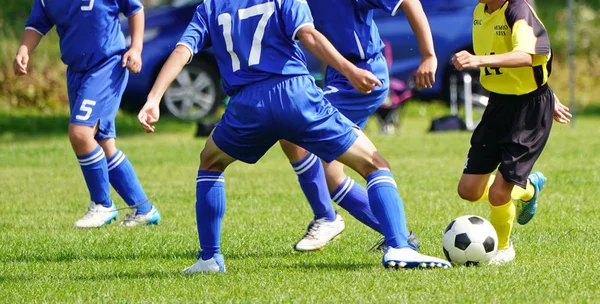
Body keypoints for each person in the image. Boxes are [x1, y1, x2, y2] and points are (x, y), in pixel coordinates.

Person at [138, 0, 451, 273]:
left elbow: (183, 50)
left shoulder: (210, 6)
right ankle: (397, 245)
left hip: (247, 106)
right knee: (373, 163)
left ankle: (209, 257)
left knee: (210, 161)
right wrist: (349, 70)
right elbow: (308, 35)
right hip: (294, 95)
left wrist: (154, 99)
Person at [278, 0, 437, 252]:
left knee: (292, 133)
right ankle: (400, 237)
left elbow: (409, 1)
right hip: (340, 77)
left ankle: (326, 218)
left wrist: (428, 55)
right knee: (330, 174)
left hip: (362, 76)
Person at [15, 0, 161, 227]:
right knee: (102, 144)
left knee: (80, 133)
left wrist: (136, 48)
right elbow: (37, 23)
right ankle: (144, 209)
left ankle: (102, 204)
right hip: (77, 72)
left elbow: (135, 9)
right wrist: (24, 49)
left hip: (107, 65)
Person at [452, 0, 571, 264]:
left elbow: (529, 55)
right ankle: (529, 189)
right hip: (498, 105)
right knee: (469, 190)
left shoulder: (518, 10)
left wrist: (477, 59)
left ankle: (503, 249)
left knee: (498, 193)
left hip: (529, 110)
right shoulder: (480, 11)